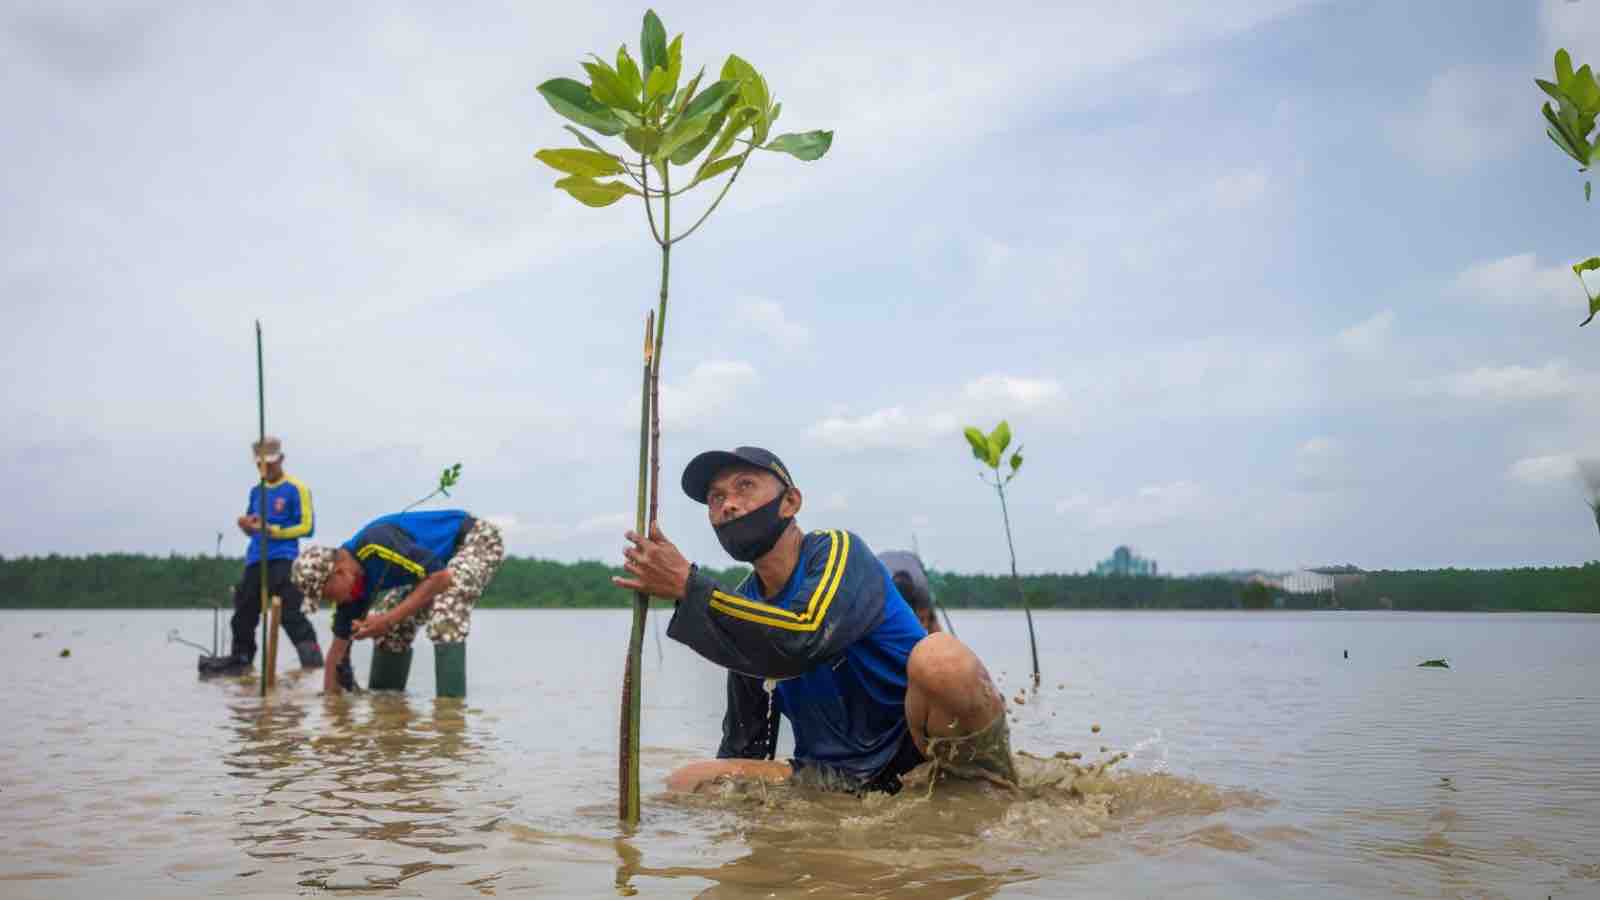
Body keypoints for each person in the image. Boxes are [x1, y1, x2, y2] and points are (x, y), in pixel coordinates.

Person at [615, 446, 1017, 794]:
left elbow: (803, 634)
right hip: (830, 777)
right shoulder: (744, 607)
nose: (728, 505)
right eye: (716, 498)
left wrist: (690, 586)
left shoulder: (838, 552)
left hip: (912, 756)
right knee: (689, 782)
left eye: (745, 487)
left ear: (790, 502)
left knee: (942, 657)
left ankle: (982, 792)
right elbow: (747, 742)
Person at [290, 508, 503, 698]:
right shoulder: (352, 587)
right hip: (434, 568)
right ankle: (388, 710)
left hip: (474, 540)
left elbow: (441, 578)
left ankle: (450, 721)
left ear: (338, 572)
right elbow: (337, 651)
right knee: (391, 631)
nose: (331, 602)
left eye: (327, 595)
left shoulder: (376, 543)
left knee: (445, 613)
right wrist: (331, 706)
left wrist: (387, 621)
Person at [199, 436, 324, 678]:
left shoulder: (296, 488)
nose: (265, 469)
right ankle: (242, 660)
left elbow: (307, 527)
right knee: (243, 612)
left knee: (290, 613)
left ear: (281, 460)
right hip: (256, 558)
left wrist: (273, 530)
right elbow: (252, 526)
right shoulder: (256, 491)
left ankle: (313, 665)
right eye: (260, 465)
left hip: (284, 558)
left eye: (270, 464)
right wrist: (246, 526)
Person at [878, 550, 943, 635]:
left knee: (930, 621)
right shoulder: (879, 586)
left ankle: (939, 643)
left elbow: (925, 619)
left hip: (912, 560)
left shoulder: (921, 589)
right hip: (881, 561)